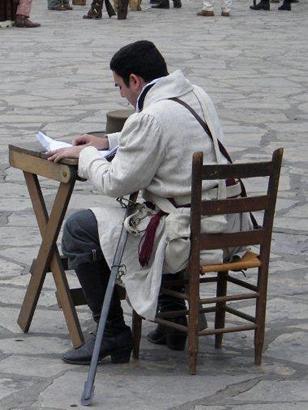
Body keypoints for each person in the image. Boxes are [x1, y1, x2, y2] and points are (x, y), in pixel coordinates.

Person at [47, 40, 251, 365]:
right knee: (155, 213)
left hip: (186, 236)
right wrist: (107, 141)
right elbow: (166, 135)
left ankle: (111, 331)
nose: (121, 95)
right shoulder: (196, 94)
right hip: (225, 226)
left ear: (135, 81)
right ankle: (174, 320)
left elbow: (116, 182)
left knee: (79, 229)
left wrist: (87, 155)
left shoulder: (151, 117)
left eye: (120, 86)